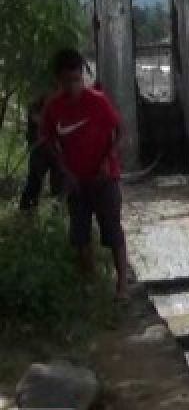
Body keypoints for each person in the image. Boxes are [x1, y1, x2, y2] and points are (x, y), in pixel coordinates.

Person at [40, 48, 130, 301]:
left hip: (105, 178)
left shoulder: (97, 101)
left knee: (112, 230)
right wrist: (62, 168)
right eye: (67, 81)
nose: (73, 86)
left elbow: (120, 131)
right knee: (80, 235)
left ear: (83, 76)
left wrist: (108, 157)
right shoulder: (53, 108)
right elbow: (47, 139)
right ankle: (90, 286)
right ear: (58, 80)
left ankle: (122, 285)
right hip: (76, 181)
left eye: (77, 79)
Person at [17, 93, 62, 211]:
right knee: (34, 181)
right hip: (39, 149)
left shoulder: (61, 104)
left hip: (56, 151)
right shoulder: (36, 105)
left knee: (58, 185)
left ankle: (56, 214)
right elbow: (38, 120)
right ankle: (26, 211)